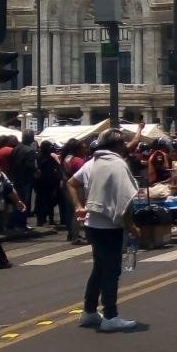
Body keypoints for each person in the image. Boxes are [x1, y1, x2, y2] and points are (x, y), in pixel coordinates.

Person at [67, 127, 142, 332]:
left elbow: (71, 183)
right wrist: (131, 226)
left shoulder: (92, 162)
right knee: (111, 270)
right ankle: (110, 315)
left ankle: (89, 311)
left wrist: (78, 206)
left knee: (99, 268)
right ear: (118, 145)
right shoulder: (118, 164)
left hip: (92, 224)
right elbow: (125, 199)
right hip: (110, 225)